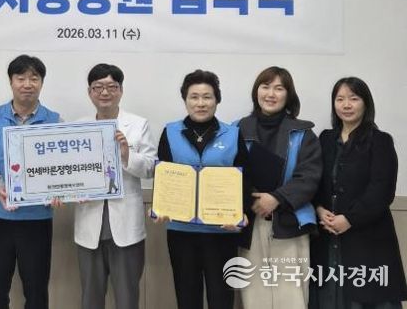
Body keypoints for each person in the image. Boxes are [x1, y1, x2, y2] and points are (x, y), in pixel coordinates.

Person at [155, 69, 249, 309]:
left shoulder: (233, 134)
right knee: (187, 297)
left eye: (207, 97)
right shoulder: (170, 131)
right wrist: (160, 207)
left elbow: (245, 178)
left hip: (222, 230)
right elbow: (163, 175)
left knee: (221, 298)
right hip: (181, 230)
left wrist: (242, 214)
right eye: (194, 97)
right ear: (185, 100)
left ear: (217, 100)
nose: (200, 103)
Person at [310, 77, 407, 308]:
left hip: (368, 237)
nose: (346, 105)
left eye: (353, 99)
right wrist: (319, 209)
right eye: (340, 99)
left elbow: (382, 190)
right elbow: (314, 180)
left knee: (365, 297)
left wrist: (350, 219)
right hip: (327, 235)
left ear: (366, 103)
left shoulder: (380, 141)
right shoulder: (325, 139)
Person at [0, 54, 61, 309]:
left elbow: (61, 169)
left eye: (34, 78)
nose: (27, 84)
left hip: (37, 218)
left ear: (42, 83)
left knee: (36, 292)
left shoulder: (55, 121)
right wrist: (0, 187)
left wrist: (61, 190)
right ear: (11, 81)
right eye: (21, 78)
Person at [236, 66, 321, 309]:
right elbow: (231, 171)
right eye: (265, 87)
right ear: (256, 92)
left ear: (288, 95)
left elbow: (309, 177)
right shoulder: (238, 129)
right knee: (254, 296)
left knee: (291, 297)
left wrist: (276, 198)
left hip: (290, 222)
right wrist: (253, 199)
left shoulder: (304, 133)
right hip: (251, 221)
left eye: (279, 88)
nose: (270, 94)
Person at [74, 63, 157, 309]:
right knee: (90, 298)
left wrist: (126, 155)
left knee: (127, 298)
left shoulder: (138, 124)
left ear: (121, 90)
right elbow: (68, 171)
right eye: (98, 87)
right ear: (89, 92)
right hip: (89, 224)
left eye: (112, 86)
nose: (105, 92)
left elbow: (151, 167)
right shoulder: (77, 127)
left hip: (126, 226)